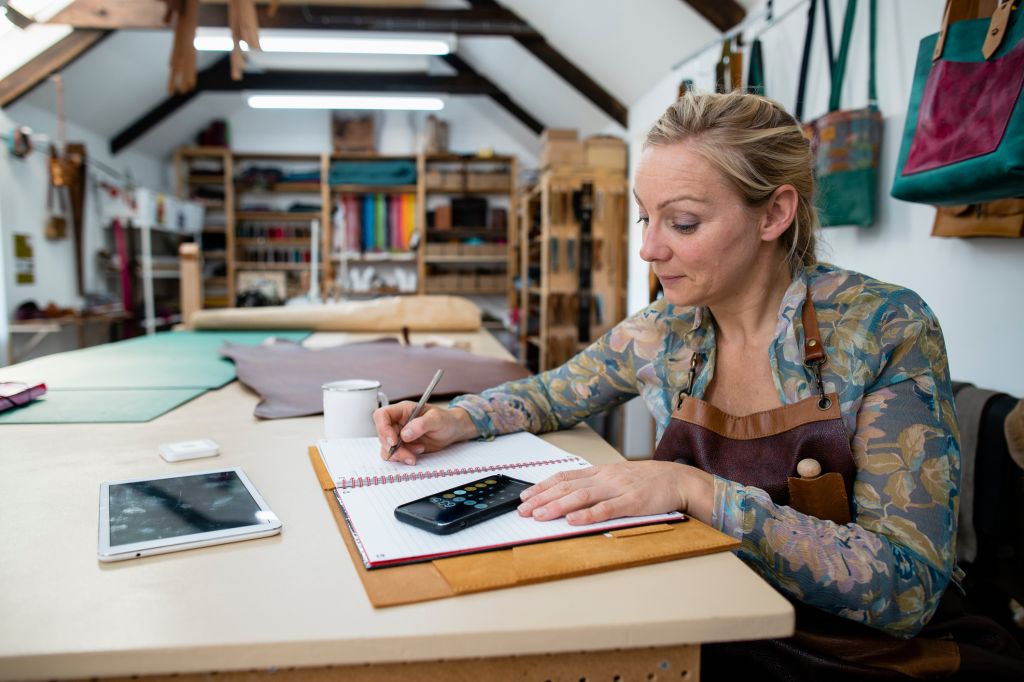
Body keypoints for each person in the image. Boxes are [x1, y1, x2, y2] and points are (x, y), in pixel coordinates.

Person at [373, 92, 1023, 680]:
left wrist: (694, 491)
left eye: (681, 223)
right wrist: (458, 419)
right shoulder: (666, 331)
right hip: (709, 610)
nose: (649, 250)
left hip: (852, 652)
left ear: (774, 214)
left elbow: (905, 588)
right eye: (644, 219)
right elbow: (549, 395)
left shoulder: (883, 327)